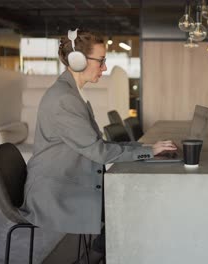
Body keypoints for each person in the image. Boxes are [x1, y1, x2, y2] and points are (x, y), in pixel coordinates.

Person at [20, 29, 176, 239]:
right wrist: (149, 151)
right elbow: (99, 152)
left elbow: (97, 144)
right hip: (57, 190)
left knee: (132, 201)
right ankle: (99, 254)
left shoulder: (73, 92)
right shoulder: (64, 99)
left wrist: (148, 148)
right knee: (129, 207)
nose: (105, 67)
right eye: (101, 60)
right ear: (78, 61)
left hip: (68, 180)